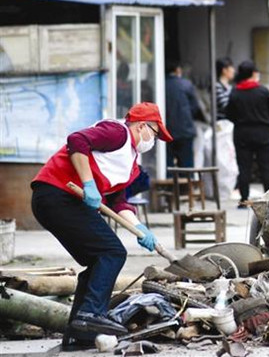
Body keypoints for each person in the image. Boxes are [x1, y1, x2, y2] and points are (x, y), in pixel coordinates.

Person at [31, 103, 172, 350]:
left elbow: (119, 202)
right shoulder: (117, 133)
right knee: (112, 253)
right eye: (155, 133)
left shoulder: (131, 163)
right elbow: (77, 141)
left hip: (63, 202)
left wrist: (141, 230)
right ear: (141, 125)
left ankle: (78, 336)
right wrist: (88, 183)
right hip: (56, 194)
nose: (155, 140)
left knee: (98, 260)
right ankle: (90, 316)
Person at [226, 61, 269, 208]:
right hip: (262, 133)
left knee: (244, 167)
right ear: (253, 73)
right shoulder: (263, 91)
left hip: (242, 133)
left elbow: (229, 114)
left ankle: (244, 199)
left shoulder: (235, 92)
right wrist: (267, 122)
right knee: (265, 167)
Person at [165, 61, 203, 169]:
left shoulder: (160, 85)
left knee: (168, 165)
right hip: (185, 130)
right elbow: (195, 107)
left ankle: (170, 185)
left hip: (166, 130)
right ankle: (186, 185)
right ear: (177, 70)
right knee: (186, 165)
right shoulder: (186, 84)